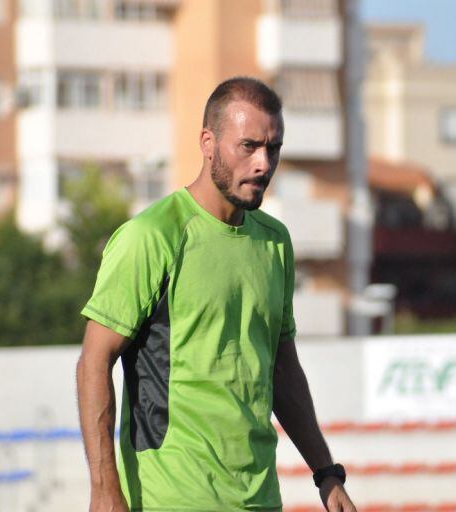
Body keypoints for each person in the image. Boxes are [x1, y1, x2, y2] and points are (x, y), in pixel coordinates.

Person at [76, 76, 356, 512]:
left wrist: (325, 472)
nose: (264, 163)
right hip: (171, 496)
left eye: (274, 148)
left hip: (259, 498)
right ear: (208, 143)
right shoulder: (152, 236)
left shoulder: (275, 241)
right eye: (248, 146)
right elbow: (94, 361)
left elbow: (283, 368)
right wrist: (103, 489)